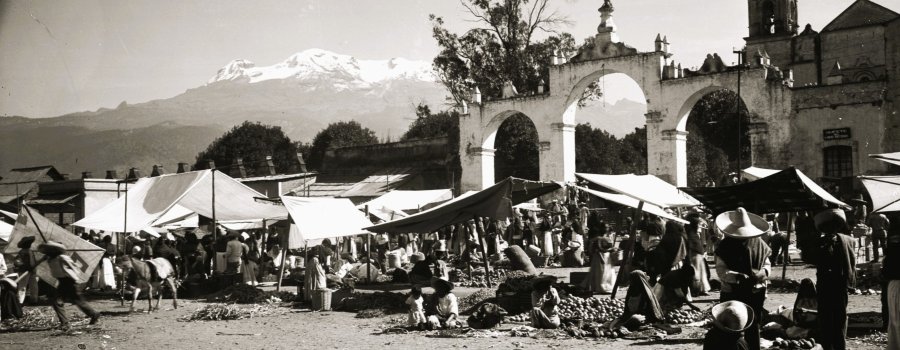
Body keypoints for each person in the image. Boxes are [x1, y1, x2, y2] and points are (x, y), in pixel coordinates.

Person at [715, 207, 771, 350]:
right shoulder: (724, 246)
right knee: (732, 324)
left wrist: (761, 274)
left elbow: (767, 264)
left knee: (753, 323)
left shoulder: (759, 243)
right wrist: (736, 276)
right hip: (732, 291)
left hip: (755, 290)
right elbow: (721, 270)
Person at [810, 209, 856, 350]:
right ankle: (827, 345)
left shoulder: (846, 241)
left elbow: (851, 262)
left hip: (839, 284)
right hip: (824, 284)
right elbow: (810, 257)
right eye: (827, 227)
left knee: (839, 317)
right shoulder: (819, 243)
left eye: (833, 226)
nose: (830, 230)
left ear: (837, 227)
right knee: (825, 317)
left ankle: (839, 345)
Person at [40, 241, 100, 329]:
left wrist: (75, 277)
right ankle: (66, 322)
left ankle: (92, 314)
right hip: (61, 281)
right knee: (58, 301)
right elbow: (40, 262)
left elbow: (74, 267)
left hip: (69, 281)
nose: (48, 252)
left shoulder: (62, 257)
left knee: (76, 301)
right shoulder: (50, 258)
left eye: (49, 250)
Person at [582, 228, 615, 294]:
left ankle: (596, 286)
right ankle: (601, 286)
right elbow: (601, 249)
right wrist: (610, 250)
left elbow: (591, 250)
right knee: (603, 272)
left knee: (598, 272)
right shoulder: (604, 239)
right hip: (603, 256)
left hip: (597, 257)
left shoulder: (595, 239)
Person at [884, 220, 900, 349]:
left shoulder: (892, 249)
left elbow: (886, 270)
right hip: (895, 283)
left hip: (895, 284)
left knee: (895, 321)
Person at [685, 213, 711, 295]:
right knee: (698, 272)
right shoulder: (692, 233)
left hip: (695, 253)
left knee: (698, 272)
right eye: (698, 225)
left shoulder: (690, 232)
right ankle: (699, 289)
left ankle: (699, 289)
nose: (699, 226)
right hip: (694, 253)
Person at [14, 236, 38, 304]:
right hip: (24, 272)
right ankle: (20, 302)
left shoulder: (31, 251)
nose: (29, 244)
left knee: (34, 286)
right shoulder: (22, 252)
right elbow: (17, 262)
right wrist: (25, 266)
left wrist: (34, 269)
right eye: (28, 243)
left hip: (32, 271)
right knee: (22, 287)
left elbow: (33, 261)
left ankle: (34, 300)